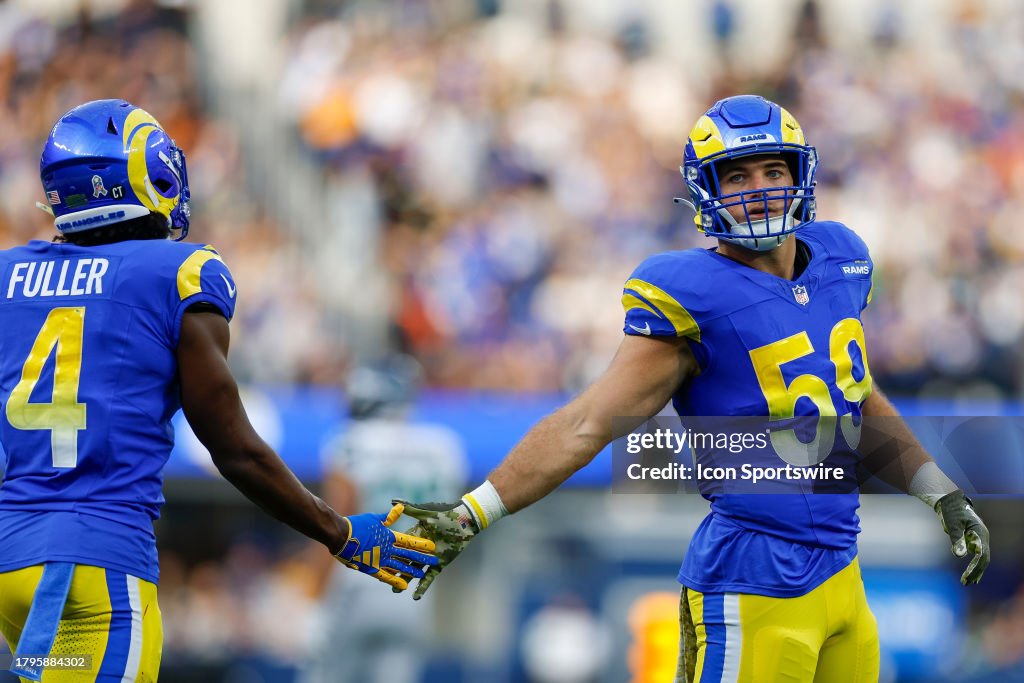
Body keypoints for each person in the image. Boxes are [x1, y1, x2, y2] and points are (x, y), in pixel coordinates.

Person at [395, 95, 992, 682]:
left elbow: (855, 398)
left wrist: (939, 492)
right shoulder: (694, 293)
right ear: (707, 189)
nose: (758, 187)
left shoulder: (841, 258)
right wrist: (472, 514)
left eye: (773, 170)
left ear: (801, 176)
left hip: (843, 570)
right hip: (751, 577)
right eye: (737, 175)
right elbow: (588, 422)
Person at [0, 99, 437, 683]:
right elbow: (231, 446)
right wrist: (338, 532)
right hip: (91, 571)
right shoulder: (176, 272)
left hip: (14, 569)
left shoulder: (8, 275)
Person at [303, 355, 468, 683]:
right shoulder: (442, 447)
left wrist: (314, 604)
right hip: (412, 591)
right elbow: (455, 528)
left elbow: (334, 524)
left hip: (356, 586)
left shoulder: (351, 443)